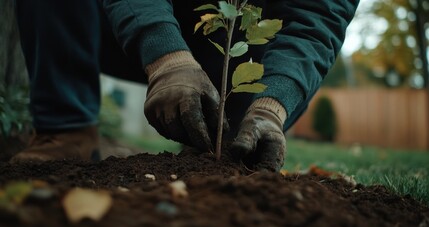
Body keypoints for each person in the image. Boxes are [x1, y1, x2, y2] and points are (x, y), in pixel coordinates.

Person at [11, 0, 359, 172]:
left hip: (242, 60)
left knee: (230, 158)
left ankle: (212, 155)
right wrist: (167, 59)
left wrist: (272, 105)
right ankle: (67, 130)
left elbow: (318, 20)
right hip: (132, 20)